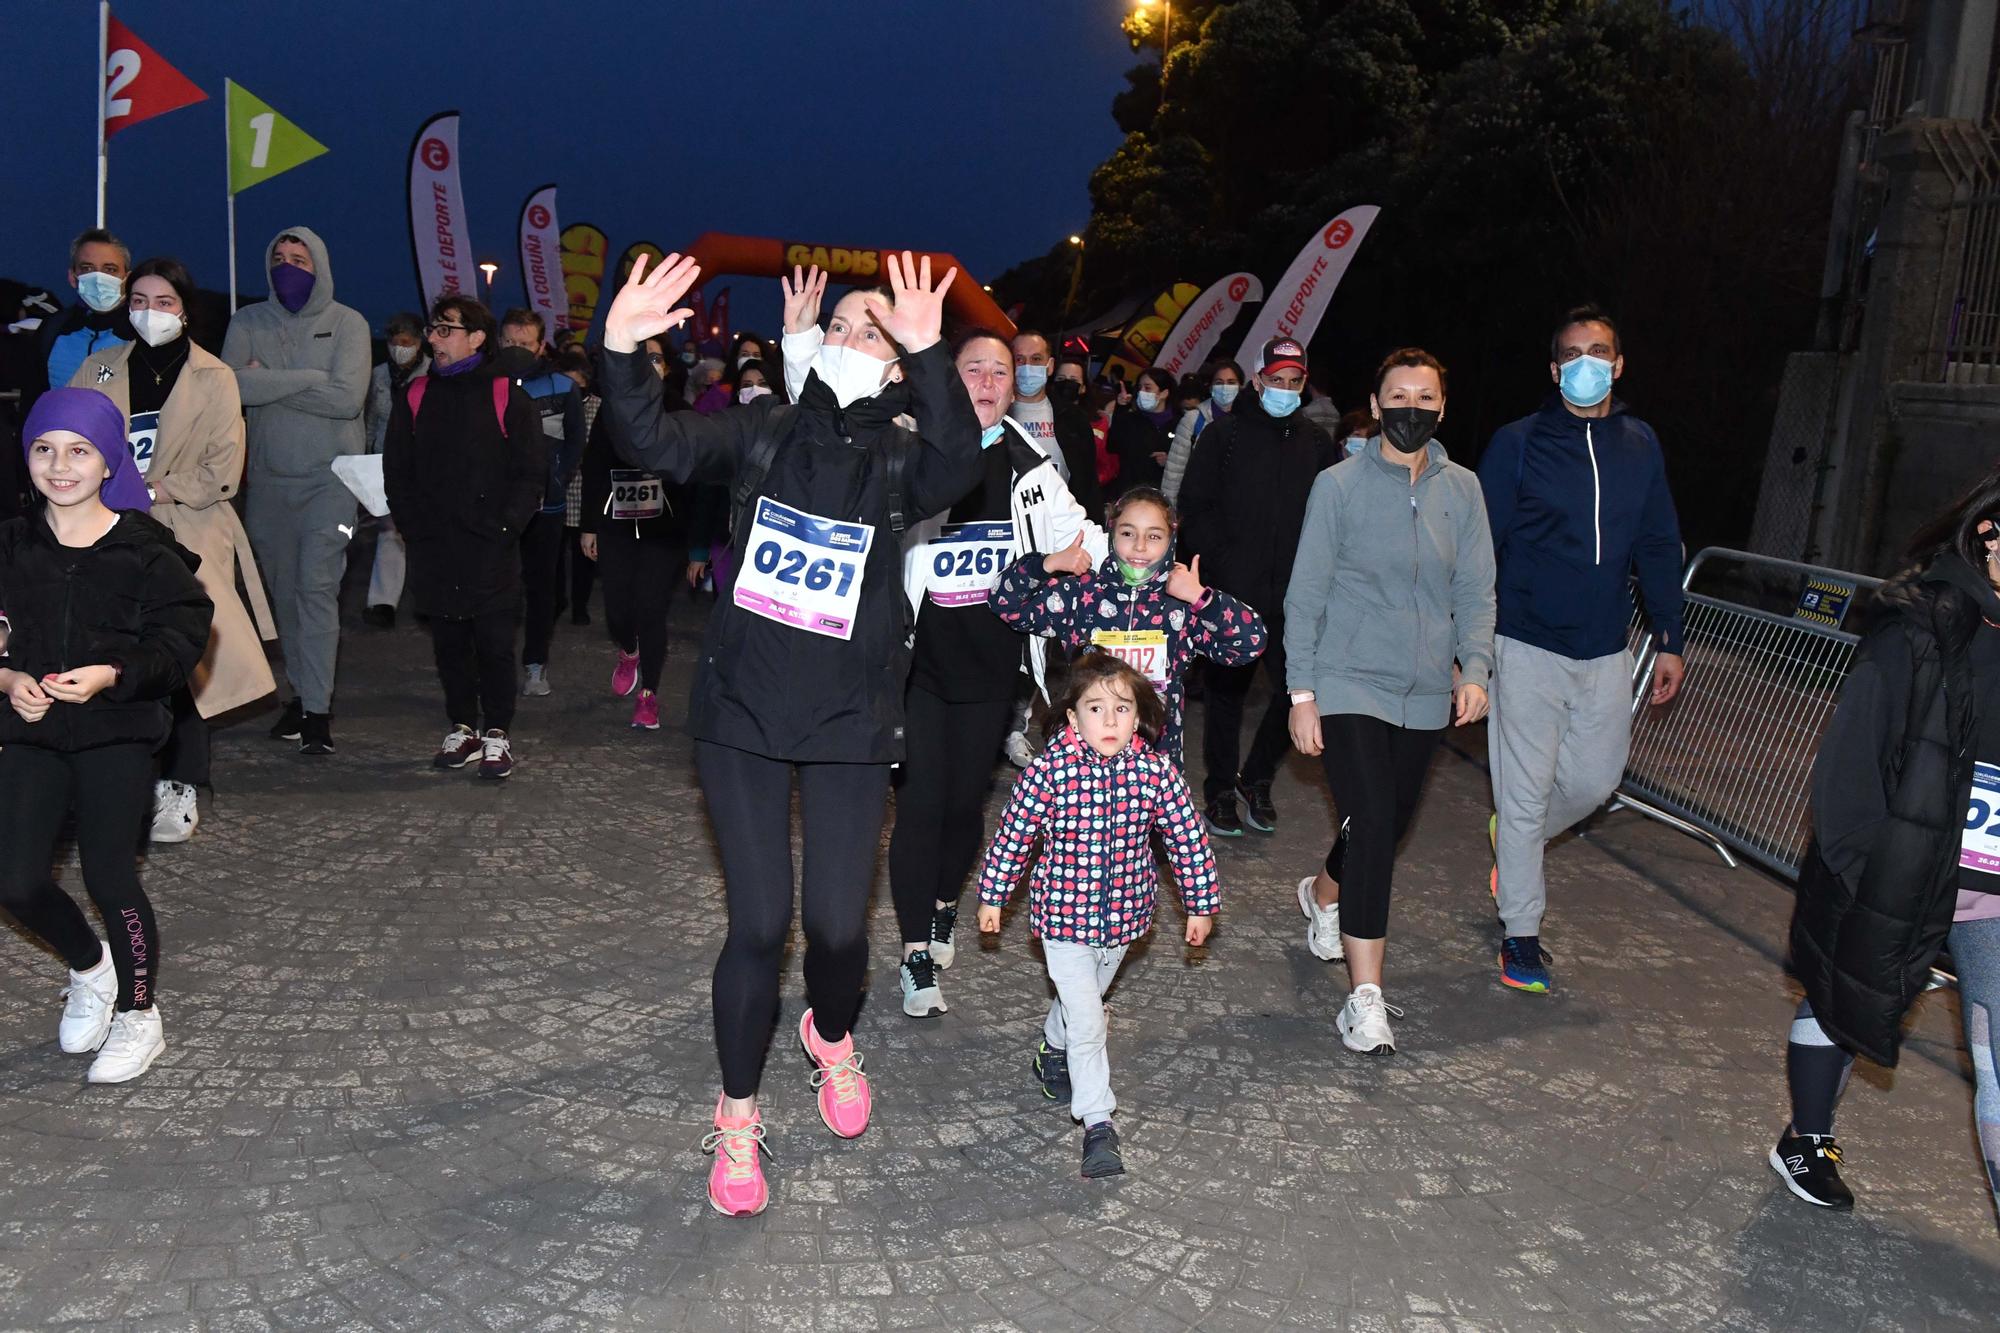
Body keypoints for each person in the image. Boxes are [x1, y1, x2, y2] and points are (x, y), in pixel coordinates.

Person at [598, 250, 981, 1217]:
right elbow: (656, 442)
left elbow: (960, 463)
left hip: (852, 717)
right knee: (761, 926)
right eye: (844, 325)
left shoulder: (902, 454)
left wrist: (934, 358)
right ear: (816, 346)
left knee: (839, 930)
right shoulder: (763, 429)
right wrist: (620, 346)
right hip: (743, 713)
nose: (856, 337)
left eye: (876, 332)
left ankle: (832, 1036)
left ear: (898, 368)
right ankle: (736, 1115)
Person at [1768, 473, 2000, 1223]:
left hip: (1990, 898)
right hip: (1896, 872)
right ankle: (1808, 1139)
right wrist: (1874, 884)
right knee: (1846, 1006)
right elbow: (1848, 771)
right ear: (1989, 535)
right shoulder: (1916, 629)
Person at [879, 326, 1106, 1020]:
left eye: (998, 372)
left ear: (1013, 386)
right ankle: (915, 951)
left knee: (960, 805)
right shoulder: (907, 445)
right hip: (916, 665)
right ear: (948, 380)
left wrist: (1125, 562)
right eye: (971, 368)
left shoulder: (1031, 459)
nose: (985, 381)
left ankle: (947, 904)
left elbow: (1084, 536)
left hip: (992, 670)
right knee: (918, 805)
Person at [1285, 348, 1495, 1056]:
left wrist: (1476, 665)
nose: (1412, 407)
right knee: (1373, 823)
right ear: (1374, 405)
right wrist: (1302, 691)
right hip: (1348, 679)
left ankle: (1321, 893)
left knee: (1383, 823)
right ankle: (1364, 996)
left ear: (1443, 407)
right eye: (1397, 395)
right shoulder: (1338, 487)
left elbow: (1474, 588)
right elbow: (1306, 591)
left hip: (1428, 687)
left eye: (1425, 396)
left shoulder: (1462, 489)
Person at [0, 388, 212, 1082]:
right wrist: (7, 681)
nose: (60, 466)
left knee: (109, 874)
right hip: (31, 731)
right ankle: (91, 971)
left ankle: (140, 1013)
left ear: (108, 459)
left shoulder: (146, 552)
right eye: (44, 448)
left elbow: (179, 641)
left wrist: (111, 672)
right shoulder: (11, 543)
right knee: (16, 878)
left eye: (79, 451)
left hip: (115, 732)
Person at [1478, 306, 1686, 993]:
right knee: (1528, 790)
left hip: (1604, 648)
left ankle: (1515, 840)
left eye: (1599, 351)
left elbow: (1658, 542)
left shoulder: (1640, 443)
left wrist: (1670, 636)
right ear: (1554, 367)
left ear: (1619, 364)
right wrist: (1469, 642)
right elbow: (1482, 548)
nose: (1586, 362)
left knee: (1595, 783)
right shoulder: (1519, 442)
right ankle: (1522, 934)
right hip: (1526, 640)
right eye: (1572, 353)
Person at [975, 650, 1218, 1179]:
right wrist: (993, 895)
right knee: (1090, 1020)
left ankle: (1051, 1048)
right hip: (1063, 921)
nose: (1110, 721)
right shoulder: (1048, 773)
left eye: (1123, 709)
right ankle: (1098, 1124)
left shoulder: (1156, 774)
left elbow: (1186, 840)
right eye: (1095, 709)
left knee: (1080, 1003)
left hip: (1124, 922)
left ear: (1139, 717)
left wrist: (1200, 903)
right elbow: (1014, 838)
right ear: (1072, 718)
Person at [70, 257, 276, 843]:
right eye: (139, 300)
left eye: (163, 301)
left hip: (186, 524)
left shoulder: (215, 377)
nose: (150, 312)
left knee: (182, 654)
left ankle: (183, 782)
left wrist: (154, 488)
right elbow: (71, 435)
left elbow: (222, 469)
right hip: (108, 524)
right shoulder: (100, 368)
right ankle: (115, 775)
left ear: (184, 308)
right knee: (109, 651)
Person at [382, 297, 549, 779]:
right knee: (448, 643)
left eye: (445, 329)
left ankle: (497, 731)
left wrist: (505, 527)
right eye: (433, 330)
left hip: (490, 545)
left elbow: (530, 471)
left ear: (477, 338)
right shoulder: (414, 396)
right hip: (435, 545)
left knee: (495, 642)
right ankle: (463, 726)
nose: (433, 339)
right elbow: (398, 469)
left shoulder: (505, 395)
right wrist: (412, 525)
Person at [1180, 336, 1342, 836]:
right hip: (1232, 592)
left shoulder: (1316, 443)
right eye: (1277, 380)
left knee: (1295, 692)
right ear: (1259, 380)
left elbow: (1330, 517)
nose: (1286, 390)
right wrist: (1219, 568)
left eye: (1295, 382)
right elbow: (1195, 505)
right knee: (1226, 695)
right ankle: (1221, 790)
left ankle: (1258, 778)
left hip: (1295, 596)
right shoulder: (1223, 436)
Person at [222, 227, 370, 756]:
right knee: (283, 595)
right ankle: (300, 694)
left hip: (330, 484)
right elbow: (232, 385)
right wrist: (311, 377)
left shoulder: (348, 323)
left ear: (320, 265)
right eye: (280, 257)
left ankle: (318, 711)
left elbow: (347, 399)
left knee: (316, 590)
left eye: (300, 259)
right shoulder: (247, 321)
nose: (289, 266)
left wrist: (276, 378)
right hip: (268, 486)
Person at [991, 486, 1264, 767]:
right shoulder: (1082, 595)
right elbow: (1004, 603)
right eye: (1128, 533)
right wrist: (1046, 564)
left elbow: (1250, 643)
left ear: (1171, 541)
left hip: (1155, 763)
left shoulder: (1181, 605)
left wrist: (1201, 598)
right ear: (1111, 533)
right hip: (1080, 761)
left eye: (1154, 536)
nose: (1140, 546)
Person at [579, 334, 719, 730]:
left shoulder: (682, 412)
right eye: (643, 359)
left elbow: (699, 481)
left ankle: (649, 696)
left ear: (668, 367)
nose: (651, 366)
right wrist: (589, 525)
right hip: (616, 525)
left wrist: (697, 545)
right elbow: (593, 469)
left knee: (652, 610)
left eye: (657, 359)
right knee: (619, 610)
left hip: (665, 529)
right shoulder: (613, 412)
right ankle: (628, 650)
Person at [496, 309, 586, 699]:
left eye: (526, 344)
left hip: (544, 509)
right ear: (499, 342)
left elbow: (575, 442)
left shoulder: (562, 387)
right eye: (510, 343)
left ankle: (535, 663)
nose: (517, 350)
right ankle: (492, 664)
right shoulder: (483, 384)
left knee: (540, 589)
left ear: (541, 345)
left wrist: (556, 480)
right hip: (493, 507)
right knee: (494, 588)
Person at [361, 313, 428, 629]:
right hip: (386, 463)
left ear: (418, 342)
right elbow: (372, 418)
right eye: (394, 342)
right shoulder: (377, 376)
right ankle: (382, 602)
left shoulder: (433, 373)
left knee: (428, 533)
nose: (400, 348)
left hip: (425, 463)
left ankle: (430, 599)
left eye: (406, 342)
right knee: (390, 532)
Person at [35, 228, 132, 406]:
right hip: (58, 430)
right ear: (73, 277)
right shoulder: (53, 329)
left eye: (110, 269)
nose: (99, 278)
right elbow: (32, 400)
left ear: (127, 279)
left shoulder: (141, 331)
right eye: (87, 268)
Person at [1009, 331, 1101, 517]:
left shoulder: (1073, 417)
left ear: (1050, 366)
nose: (1027, 367)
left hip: (1061, 522)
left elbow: (1088, 482)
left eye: (1036, 359)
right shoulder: (993, 414)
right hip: (1009, 522)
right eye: (1019, 359)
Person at [555, 345, 600, 626]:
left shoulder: (599, 407)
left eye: (578, 384)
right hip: (557, 489)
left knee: (585, 556)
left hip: (586, 491)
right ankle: (556, 600)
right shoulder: (550, 406)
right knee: (554, 556)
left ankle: (580, 606)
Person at [1160, 359, 1242, 504]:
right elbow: (1174, 472)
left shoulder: (1250, 421)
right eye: (1219, 382)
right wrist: (1169, 510)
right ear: (1210, 387)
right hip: (1198, 506)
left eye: (1231, 382)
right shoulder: (1193, 420)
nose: (1225, 387)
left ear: (1240, 386)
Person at [1106, 366, 1176, 492]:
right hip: (1130, 491)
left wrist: (1170, 461)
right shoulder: (1130, 419)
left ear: (1164, 393)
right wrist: (1120, 409)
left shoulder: (1179, 423)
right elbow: (1112, 445)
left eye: (1147, 388)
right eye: (1139, 388)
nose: (1141, 391)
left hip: (1163, 492)